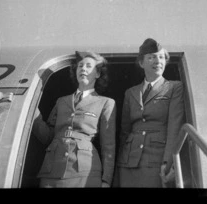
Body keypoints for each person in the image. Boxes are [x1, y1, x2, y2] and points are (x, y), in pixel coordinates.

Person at [32, 51, 116, 188]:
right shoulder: (61, 101)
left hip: (84, 173)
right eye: (80, 66)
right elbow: (48, 137)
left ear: (98, 73)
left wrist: (106, 180)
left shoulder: (105, 102)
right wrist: (33, 113)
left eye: (89, 66)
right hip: (52, 170)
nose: (83, 68)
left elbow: (109, 146)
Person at [116, 38, 185, 187]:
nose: (157, 61)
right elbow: (125, 132)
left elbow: (174, 128)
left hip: (156, 161)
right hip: (128, 162)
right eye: (151, 57)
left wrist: (168, 163)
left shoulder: (174, 87)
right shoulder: (130, 93)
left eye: (161, 57)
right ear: (141, 63)